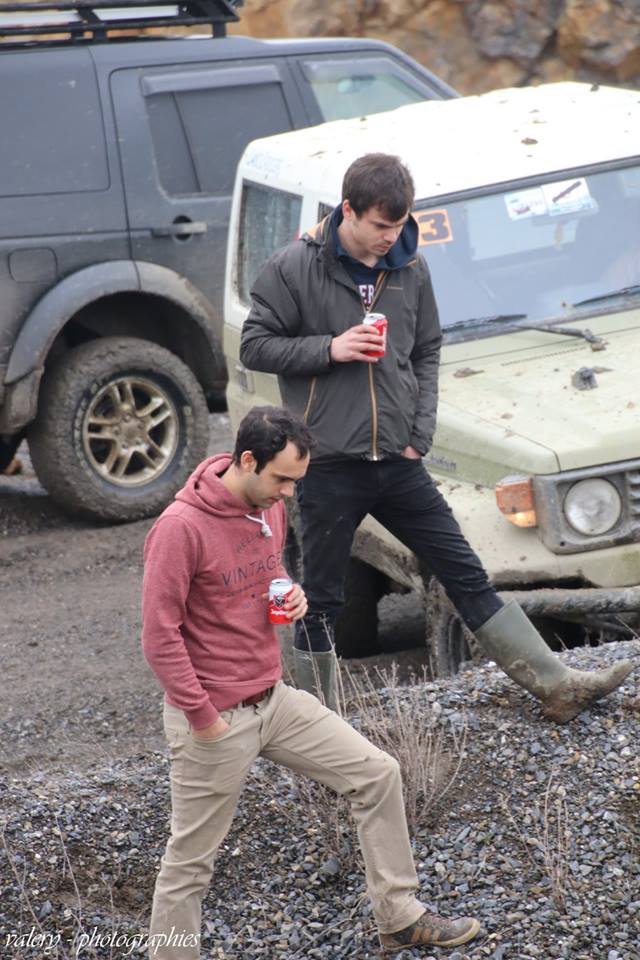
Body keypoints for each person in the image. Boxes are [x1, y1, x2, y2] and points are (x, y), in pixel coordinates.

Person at [239, 152, 634, 722]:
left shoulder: (410, 267)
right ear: (347, 211)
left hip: (399, 461)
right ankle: (310, 727)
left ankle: (557, 686)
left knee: (467, 574)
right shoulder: (291, 268)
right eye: (379, 226)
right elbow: (256, 346)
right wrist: (331, 348)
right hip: (325, 462)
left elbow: (426, 351)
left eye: (399, 225)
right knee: (321, 598)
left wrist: (417, 435)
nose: (390, 238)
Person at [141, 405, 481, 959]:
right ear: (246, 460)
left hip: (274, 700)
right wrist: (203, 719)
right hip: (214, 718)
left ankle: (399, 916)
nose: (289, 495)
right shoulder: (180, 529)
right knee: (190, 865)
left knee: (377, 774)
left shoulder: (267, 509)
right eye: (281, 480)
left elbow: (267, 571)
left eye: (296, 482)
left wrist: (288, 592)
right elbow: (159, 637)